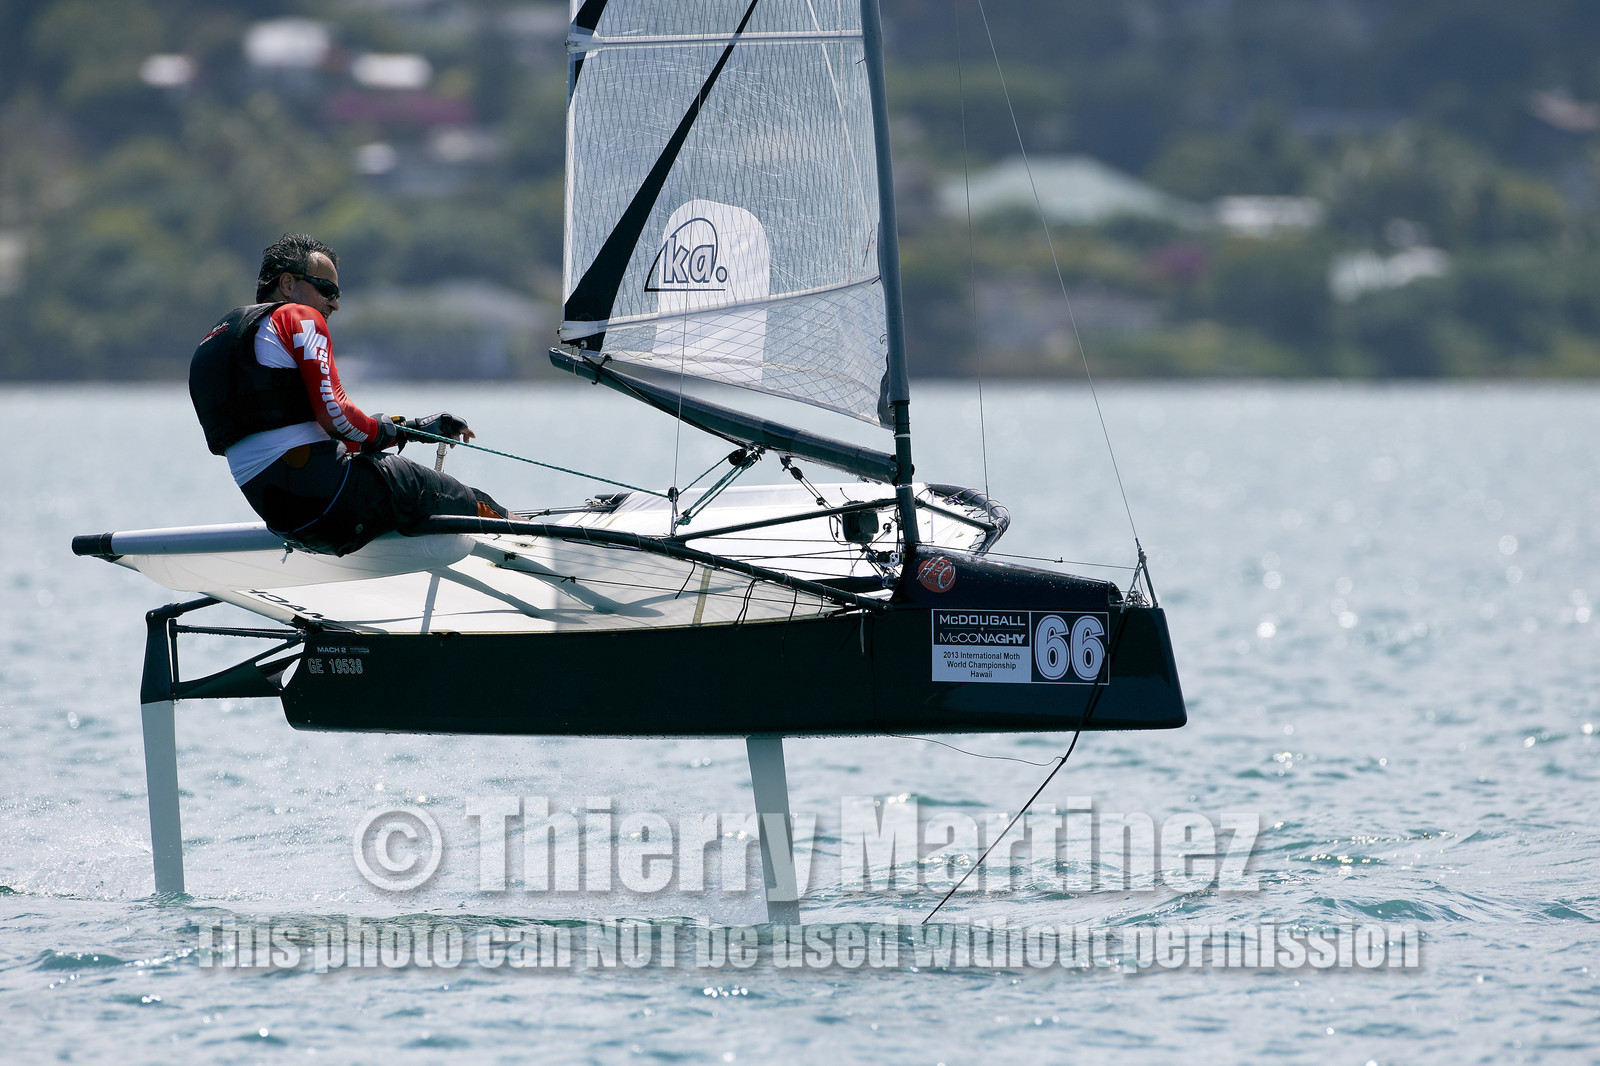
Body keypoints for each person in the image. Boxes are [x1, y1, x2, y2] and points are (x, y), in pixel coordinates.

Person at [189, 233, 509, 555]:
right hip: (335, 503)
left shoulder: (217, 342)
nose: (335, 304)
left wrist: (412, 430)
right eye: (327, 289)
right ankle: (524, 537)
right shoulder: (297, 316)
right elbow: (336, 416)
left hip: (288, 524)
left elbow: (298, 431)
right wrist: (387, 431)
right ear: (288, 284)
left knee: (383, 481)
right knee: (461, 498)